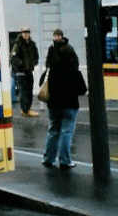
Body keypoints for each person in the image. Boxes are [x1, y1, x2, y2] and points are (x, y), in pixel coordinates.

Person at [41, 29, 86, 170]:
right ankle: (65, 161)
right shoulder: (70, 54)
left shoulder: (51, 57)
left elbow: (45, 73)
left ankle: (48, 158)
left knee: (53, 130)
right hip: (69, 102)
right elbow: (81, 86)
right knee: (66, 131)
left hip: (54, 102)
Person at [10, 26, 39, 117]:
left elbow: (36, 56)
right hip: (21, 72)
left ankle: (27, 109)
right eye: (24, 32)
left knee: (29, 90)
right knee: (23, 91)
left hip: (29, 71)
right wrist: (22, 65)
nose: (26, 34)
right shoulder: (17, 44)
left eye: (27, 32)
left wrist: (33, 63)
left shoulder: (32, 44)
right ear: (21, 33)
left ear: (29, 33)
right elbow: (13, 58)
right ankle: (24, 110)